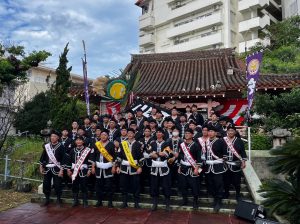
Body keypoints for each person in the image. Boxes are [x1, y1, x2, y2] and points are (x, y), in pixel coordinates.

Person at [116, 128, 143, 209]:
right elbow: (119, 157)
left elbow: (141, 158)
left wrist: (140, 167)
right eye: (128, 133)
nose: (130, 134)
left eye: (131, 133)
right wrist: (117, 166)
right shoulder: (122, 144)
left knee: (136, 186)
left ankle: (136, 202)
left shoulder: (138, 144)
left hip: (134, 168)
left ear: (134, 134)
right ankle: (124, 202)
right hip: (124, 168)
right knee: (124, 185)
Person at [39, 130, 65, 207]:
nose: (52, 138)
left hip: (56, 168)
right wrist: (41, 167)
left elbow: (64, 159)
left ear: (58, 138)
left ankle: (58, 200)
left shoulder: (61, 146)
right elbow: (42, 157)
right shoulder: (47, 146)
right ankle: (47, 199)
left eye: (54, 136)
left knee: (57, 184)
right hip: (47, 168)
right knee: (46, 184)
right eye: (51, 136)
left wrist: (61, 169)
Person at [205, 125, 227, 212]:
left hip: (218, 166)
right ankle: (215, 198)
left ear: (215, 133)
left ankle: (219, 200)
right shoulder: (206, 142)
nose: (210, 133)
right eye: (209, 131)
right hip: (208, 166)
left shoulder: (220, 141)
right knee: (211, 184)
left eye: (212, 131)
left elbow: (224, 153)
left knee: (219, 184)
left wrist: (223, 159)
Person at [67, 136, 94, 208]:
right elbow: (69, 161)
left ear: (83, 141)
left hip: (84, 170)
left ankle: (85, 201)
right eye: (77, 140)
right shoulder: (72, 150)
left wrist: (90, 169)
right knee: (74, 186)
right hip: (74, 171)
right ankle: (75, 200)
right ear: (75, 142)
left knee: (84, 185)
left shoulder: (87, 150)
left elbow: (90, 160)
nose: (78, 141)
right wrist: (68, 169)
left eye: (80, 140)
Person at [178, 128, 201, 209]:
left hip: (192, 168)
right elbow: (180, 156)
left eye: (188, 133)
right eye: (186, 133)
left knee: (194, 186)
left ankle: (195, 201)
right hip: (183, 167)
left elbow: (199, 158)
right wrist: (179, 166)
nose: (187, 134)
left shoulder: (196, 145)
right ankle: (185, 200)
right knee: (183, 185)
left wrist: (196, 168)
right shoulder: (182, 145)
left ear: (192, 134)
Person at [92, 129, 116, 207]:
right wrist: (92, 167)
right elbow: (93, 156)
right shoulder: (96, 144)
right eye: (102, 135)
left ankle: (110, 202)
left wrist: (114, 167)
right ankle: (99, 201)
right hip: (98, 168)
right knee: (98, 186)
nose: (103, 136)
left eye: (105, 135)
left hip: (108, 168)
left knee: (109, 185)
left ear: (108, 136)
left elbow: (114, 157)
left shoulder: (111, 145)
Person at [149, 128, 171, 211]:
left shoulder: (167, 143)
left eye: (160, 132)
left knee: (166, 186)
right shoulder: (152, 143)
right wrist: (159, 154)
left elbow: (166, 154)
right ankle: (154, 204)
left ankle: (167, 205)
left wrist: (157, 153)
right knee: (154, 186)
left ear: (163, 134)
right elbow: (151, 154)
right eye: (157, 132)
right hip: (154, 168)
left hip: (164, 168)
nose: (158, 133)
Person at [222, 126, 247, 201]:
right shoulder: (223, 140)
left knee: (237, 181)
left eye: (232, 130)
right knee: (226, 181)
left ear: (235, 132)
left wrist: (243, 162)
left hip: (236, 164)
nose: (230, 132)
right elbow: (219, 150)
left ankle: (238, 194)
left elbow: (243, 152)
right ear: (227, 131)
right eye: (229, 130)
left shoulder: (239, 141)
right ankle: (226, 193)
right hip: (225, 164)